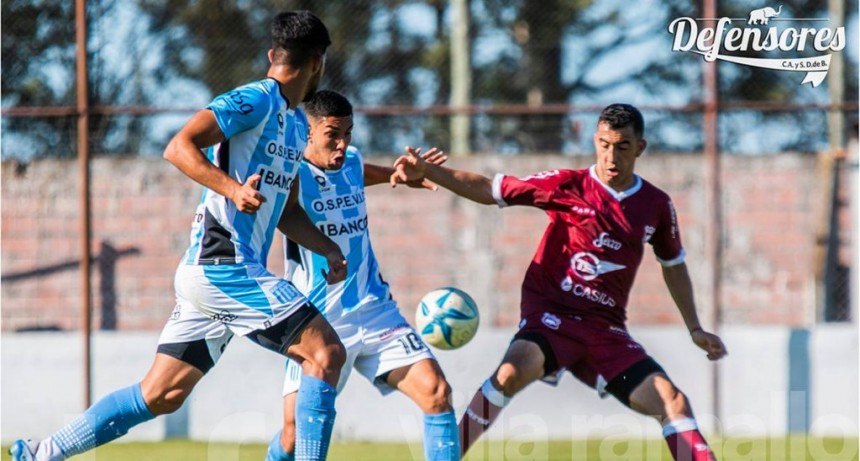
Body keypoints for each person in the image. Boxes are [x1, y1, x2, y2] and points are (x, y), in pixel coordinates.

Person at [10, 11, 348, 461]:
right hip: (224, 266)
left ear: (274, 55)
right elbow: (178, 146)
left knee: (161, 394)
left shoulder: (291, 124)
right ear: (318, 63)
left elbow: (284, 211)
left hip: (214, 275)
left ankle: (42, 452)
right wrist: (231, 188)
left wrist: (327, 248)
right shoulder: (257, 99)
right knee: (325, 353)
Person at [391, 103, 728, 461]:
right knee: (507, 375)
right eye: (604, 144)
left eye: (623, 146)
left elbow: (672, 264)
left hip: (605, 332)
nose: (611, 156)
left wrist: (695, 328)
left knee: (673, 401)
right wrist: (428, 171)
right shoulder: (568, 185)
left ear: (640, 148)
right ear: (595, 141)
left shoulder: (656, 205)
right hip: (551, 318)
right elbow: (491, 190)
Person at [265, 90, 459, 461]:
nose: (342, 145)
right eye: (332, 135)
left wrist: (397, 175)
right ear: (307, 133)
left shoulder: (350, 161)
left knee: (437, 393)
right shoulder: (291, 175)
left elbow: (359, 170)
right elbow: (281, 218)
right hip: (317, 322)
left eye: (348, 134)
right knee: (292, 436)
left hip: (375, 310)